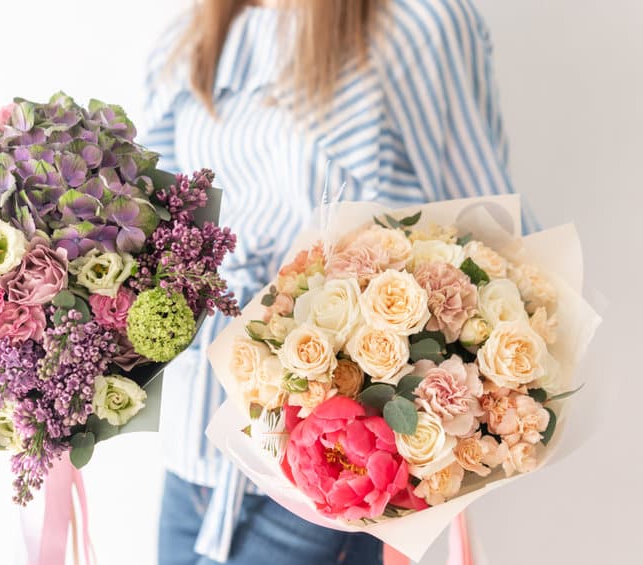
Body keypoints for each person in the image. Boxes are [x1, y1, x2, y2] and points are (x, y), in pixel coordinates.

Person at [140, 1, 539, 563]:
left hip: (327, 464)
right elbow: (156, 229)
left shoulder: (415, 25)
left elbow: (493, 241)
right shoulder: (194, 35)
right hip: (197, 447)